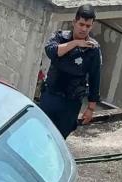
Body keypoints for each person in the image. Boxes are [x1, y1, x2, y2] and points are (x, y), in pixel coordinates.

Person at [40, 4, 102, 138]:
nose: (84, 29)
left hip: (71, 102)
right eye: (81, 24)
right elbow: (51, 51)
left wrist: (91, 108)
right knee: (39, 134)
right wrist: (75, 43)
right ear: (74, 22)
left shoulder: (93, 49)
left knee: (59, 140)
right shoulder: (60, 37)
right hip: (51, 96)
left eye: (88, 26)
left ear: (92, 26)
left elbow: (95, 77)